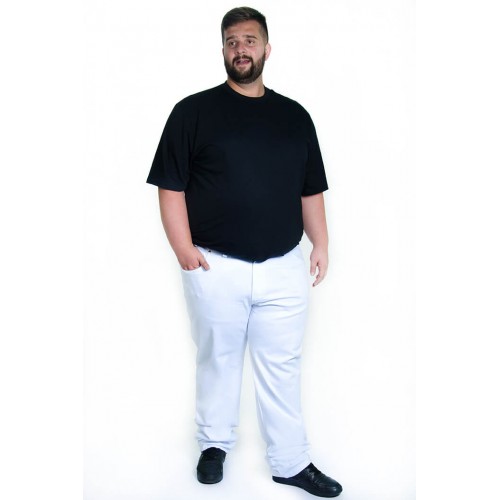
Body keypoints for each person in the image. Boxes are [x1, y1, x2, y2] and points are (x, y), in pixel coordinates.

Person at [147, 6, 342, 498]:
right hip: (215, 264)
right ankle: (214, 444)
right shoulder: (192, 112)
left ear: (267, 49)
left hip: (284, 266)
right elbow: (170, 186)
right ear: (222, 50)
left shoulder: (294, 117)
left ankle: (291, 462)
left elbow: (310, 188)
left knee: (283, 365)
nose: (241, 49)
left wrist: (320, 242)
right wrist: (183, 248)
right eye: (232, 41)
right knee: (218, 358)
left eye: (250, 41)